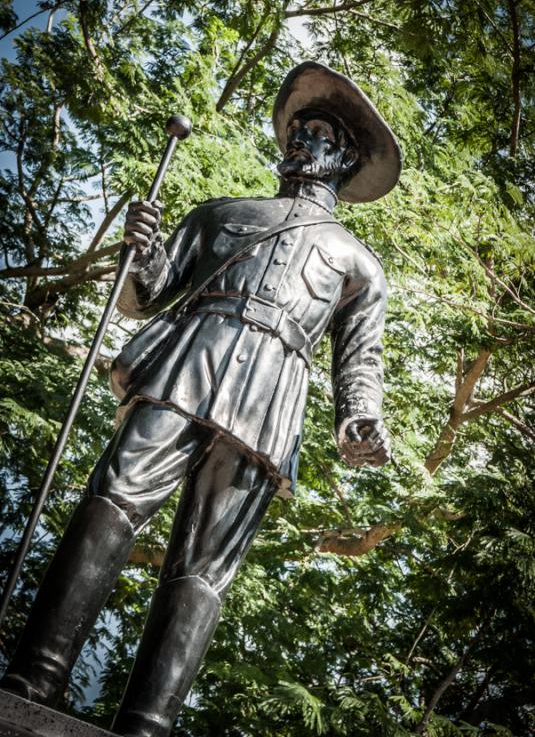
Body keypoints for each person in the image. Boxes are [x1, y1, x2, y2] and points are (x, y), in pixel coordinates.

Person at [1, 62, 401, 737]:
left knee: (206, 563)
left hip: (271, 393)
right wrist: (145, 250)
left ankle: (147, 724)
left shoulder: (359, 263)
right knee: (113, 495)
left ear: (346, 158)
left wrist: (358, 418)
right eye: (299, 130)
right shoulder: (222, 214)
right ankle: (36, 674)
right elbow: (146, 295)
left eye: (321, 135)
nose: (303, 142)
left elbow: (358, 361)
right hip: (190, 359)